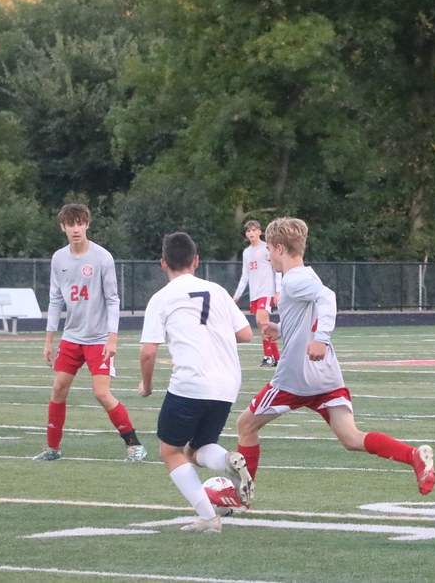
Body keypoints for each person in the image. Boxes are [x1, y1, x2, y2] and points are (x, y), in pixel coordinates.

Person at [234, 217, 435, 495]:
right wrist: (280, 329)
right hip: (326, 375)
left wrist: (321, 339)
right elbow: (311, 313)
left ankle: (241, 497)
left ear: (279, 248)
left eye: (268, 249)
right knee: (352, 438)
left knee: (245, 425)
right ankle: (413, 456)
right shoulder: (307, 274)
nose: (267, 256)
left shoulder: (293, 279)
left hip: (296, 377)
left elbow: (327, 298)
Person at [138, 232, 255, 534]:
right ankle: (229, 460)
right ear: (196, 261)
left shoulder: (161, 298)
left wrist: (147, 385)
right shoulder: (216, 289)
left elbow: (148, 351)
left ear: (163, 263)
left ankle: (208, 516)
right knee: (198, 448)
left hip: (191, 382)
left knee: (170, 451)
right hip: (227, 383)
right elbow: (245, 334)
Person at [33, 204, 146, 463]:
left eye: (80, 223)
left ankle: (134, 445)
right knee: (58, 388)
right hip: (71, 337)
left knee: (101, 393)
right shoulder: (58, 258)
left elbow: (113, 299)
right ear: (62, 227)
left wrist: (112, 337)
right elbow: (54, 300)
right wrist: (49, 340)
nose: (75, 229)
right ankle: (52, 449)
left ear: (87, 225)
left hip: (98, 340)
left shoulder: (102, 257)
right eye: (70, 224)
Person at [233, 220, 282, 367]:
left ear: (260, 232)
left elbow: (277, 269)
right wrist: (236, 295)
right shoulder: (247, 252)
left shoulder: (267, 248)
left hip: (266, 292)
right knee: (262, 326)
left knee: (262, 321)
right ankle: (277, 358)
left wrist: (278, 290)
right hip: (255, 294)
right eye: (248, 231)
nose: (251, 233)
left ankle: (268, 357)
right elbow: (245, 276)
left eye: (254, 230)